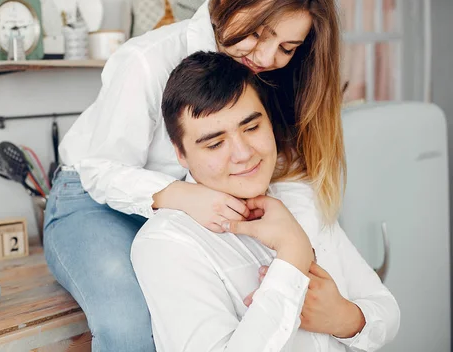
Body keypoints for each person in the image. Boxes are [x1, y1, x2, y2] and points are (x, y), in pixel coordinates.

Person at [44, 0, 344, 350]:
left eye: (287, 47)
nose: (268, 58)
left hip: (201, 203)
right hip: (94, 200)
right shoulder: (147, 61)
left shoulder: (272, 73)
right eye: (258, 33)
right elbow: (99, 170)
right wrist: (181, 196)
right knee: (130, 319)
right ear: (229, 0)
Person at [131, 51, 400, 352]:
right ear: (180, 153)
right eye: (216, 143)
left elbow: (386, 310)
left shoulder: (300, 198)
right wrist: (293, 255)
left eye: (252, 128)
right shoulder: (166, 244)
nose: (244, 153)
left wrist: (342, 318)